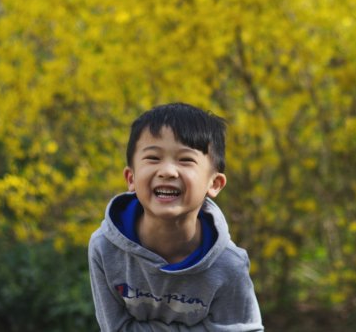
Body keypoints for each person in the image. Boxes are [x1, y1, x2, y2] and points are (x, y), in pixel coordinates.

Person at [88, 103, 263, 331]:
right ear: (131, 178)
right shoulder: (105, 248)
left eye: (185, 160)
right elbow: (115, 328)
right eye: (153, 158)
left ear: (214, 183)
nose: (168, 171)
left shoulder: (228, 264)